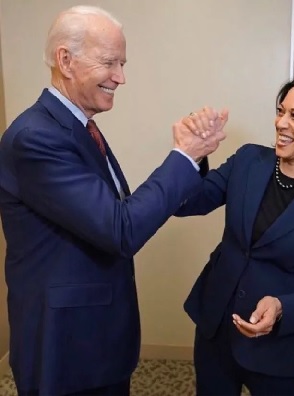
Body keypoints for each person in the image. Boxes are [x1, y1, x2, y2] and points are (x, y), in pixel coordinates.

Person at [0, 5, 227, 396]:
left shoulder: (76, 127)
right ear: (65, 61)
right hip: (64, 346)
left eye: (122, 63)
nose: (121, 78)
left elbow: (117, 209)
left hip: (93, 337)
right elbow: (121, 229)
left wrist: (192, 157)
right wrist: (183, 157)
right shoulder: (37, 138)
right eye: (110, 63)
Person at [175, 74, 294, 396]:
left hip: (282, 347)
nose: (281, 123)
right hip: (216, 327)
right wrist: (191, 156)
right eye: (280, 111)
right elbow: (186, 203)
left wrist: (283, 307)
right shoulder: (249, 160)